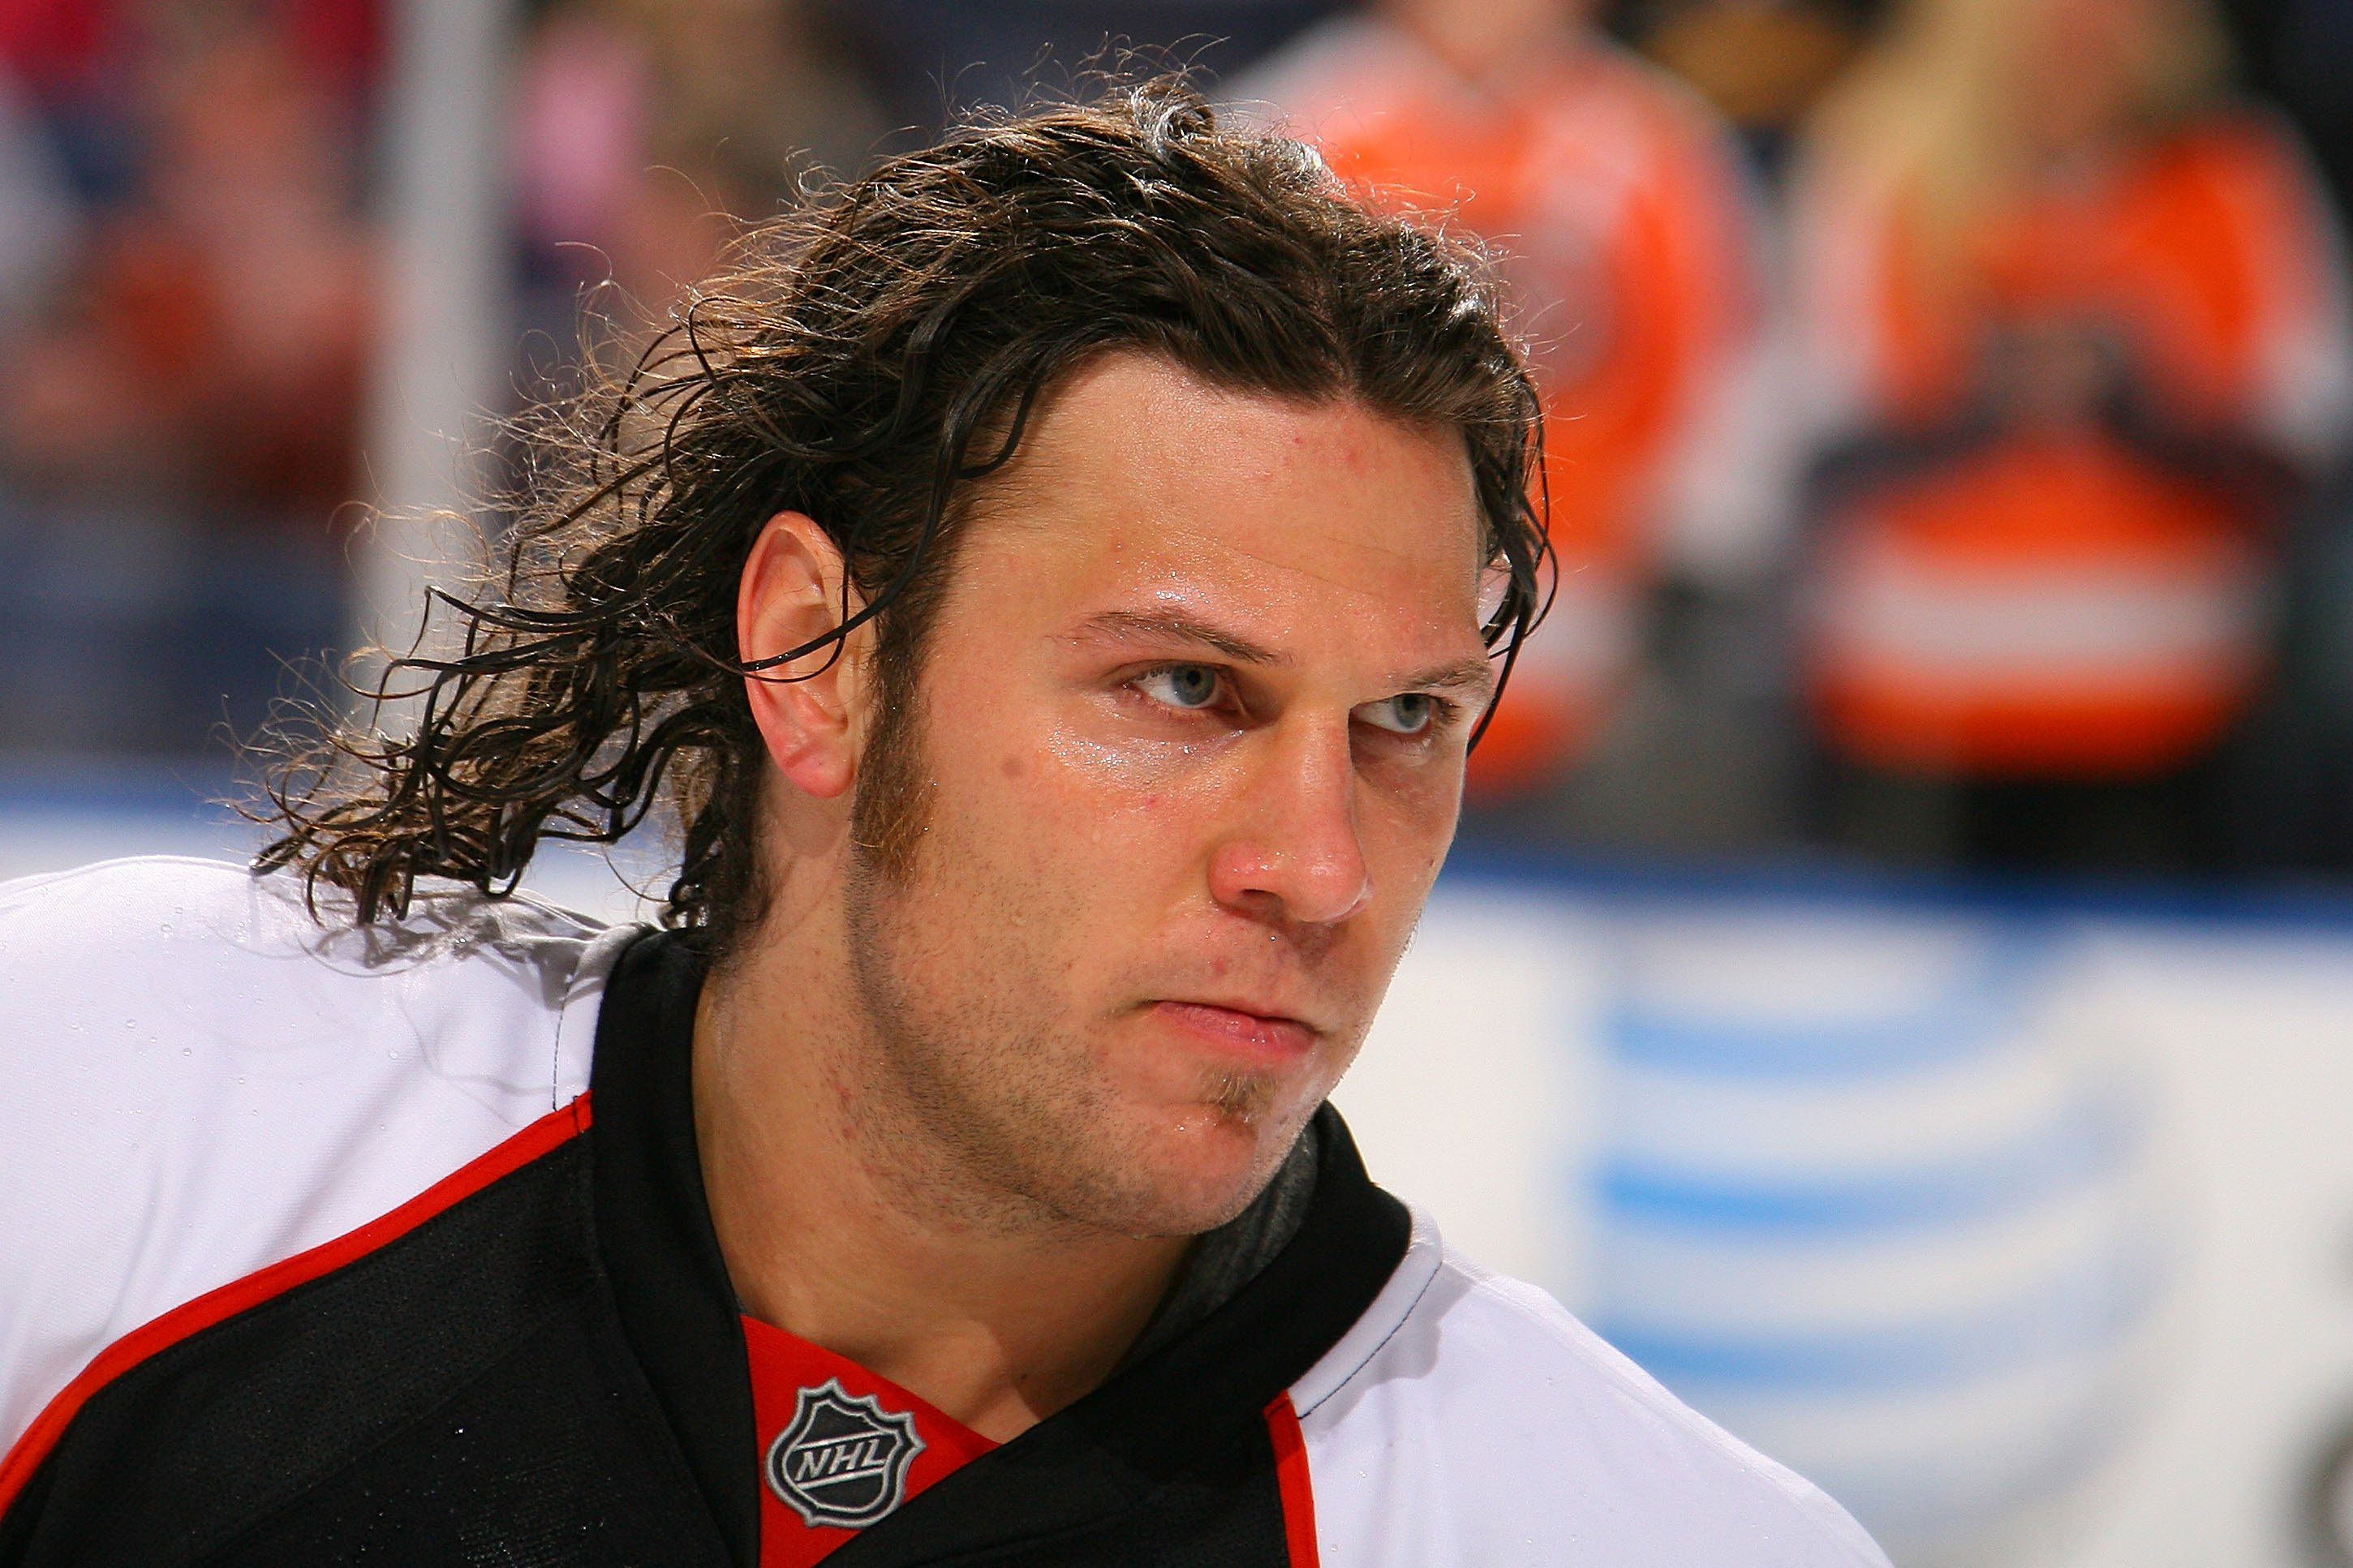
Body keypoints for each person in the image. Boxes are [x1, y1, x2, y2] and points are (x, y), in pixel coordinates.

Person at [0, 88, 1888, 1567]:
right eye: (1184, 690)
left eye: (1405, 721)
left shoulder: (1627, 1537)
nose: (1320, 866)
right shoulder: (114, 1116)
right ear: (811, 651)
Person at [1788, 0, 2353, 870]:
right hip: (1918, 712)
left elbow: (2299, 450)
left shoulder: (2233, 171)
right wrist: (1975, 402)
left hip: (2171, 711)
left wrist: (2147, 410)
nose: (2083, 27)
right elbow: (1804, 437)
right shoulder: (1879, 164)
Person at [1241, 0, 1774, 817]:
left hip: (1589, 661)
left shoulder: (1659, 143)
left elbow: (1725, 394)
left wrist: (1680, 596)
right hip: (1329, 663)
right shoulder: (1289, 122)